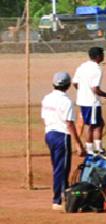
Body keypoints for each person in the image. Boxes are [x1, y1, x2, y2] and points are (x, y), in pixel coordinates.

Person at [41, 71, 85, 211]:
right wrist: (78, 142)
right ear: (67, 86)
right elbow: (69, 124)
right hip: (61, 136)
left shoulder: (46, 98)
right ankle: (58, 200)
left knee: (58, 167)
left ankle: (63, 197)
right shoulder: (66, 101)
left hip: (49, 134)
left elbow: (45, 116)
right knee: (62, 169)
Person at [72, 47, 106, 156]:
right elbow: (95, 89)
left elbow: (75, 83)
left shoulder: (82, 66)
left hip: (83, 100)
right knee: (92, 126)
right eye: (102, 54)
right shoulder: (96, 69)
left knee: (99, 123)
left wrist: (82, 91)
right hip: (91, 102)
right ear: (98, 56)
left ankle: (97, 149)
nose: (103, 56)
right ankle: (93, 150)